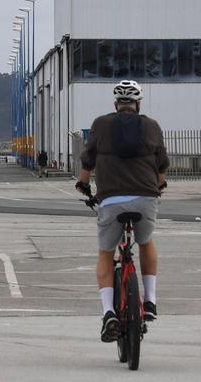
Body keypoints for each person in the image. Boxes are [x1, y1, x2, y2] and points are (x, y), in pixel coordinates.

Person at [75, 80, 168, 343]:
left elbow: (88, 159)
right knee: (146, 241)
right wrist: (160, 184)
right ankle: (149, 300)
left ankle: (109, 314)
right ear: (138, 104)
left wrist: (84, 184)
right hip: (146, 198)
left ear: (116, 104)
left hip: (111, 200)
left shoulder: (101, 124)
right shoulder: (151, 126)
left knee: (106, 253)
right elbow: (161, 164)